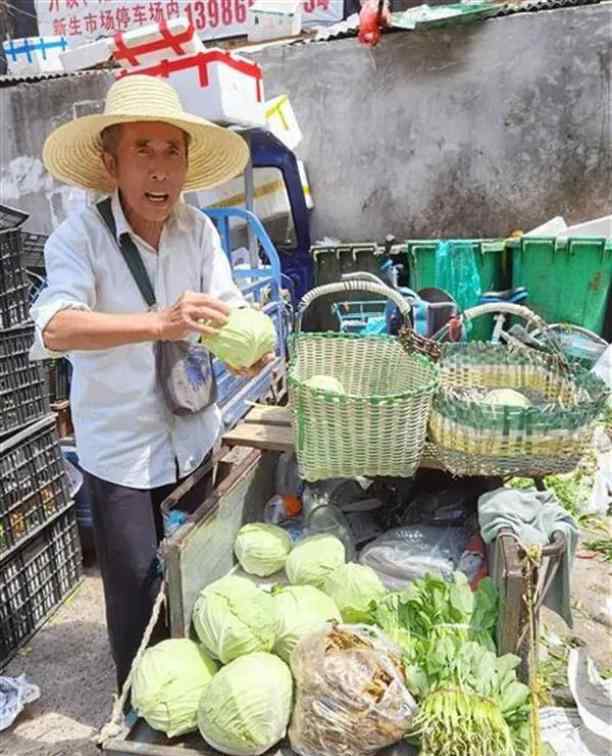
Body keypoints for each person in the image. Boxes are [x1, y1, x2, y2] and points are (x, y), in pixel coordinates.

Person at [30, 75, 271, 696]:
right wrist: (158, 323)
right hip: (123, 453)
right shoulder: (77, 240)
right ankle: (139, 702)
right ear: (111, 163)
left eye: (173, 151)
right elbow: (56, 327)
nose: (160, 170)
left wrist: (244, 347)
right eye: (143, 151)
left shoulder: (200, 232)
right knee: (137, 594)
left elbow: (230, 306)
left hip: (195, 434)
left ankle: (195, 695)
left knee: (203, 576)